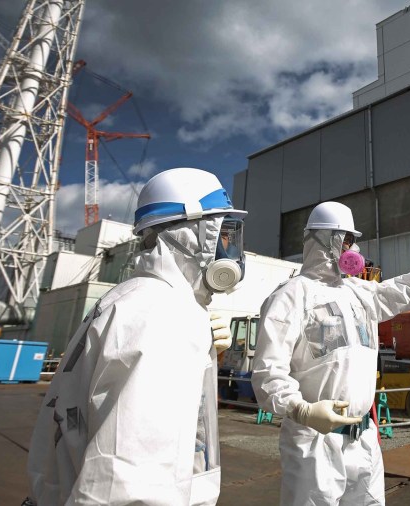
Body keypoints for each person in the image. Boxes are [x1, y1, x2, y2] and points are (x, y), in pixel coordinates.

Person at [26, 167, 246, 506]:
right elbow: (129, 484)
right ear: (192, 235)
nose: (230, 248)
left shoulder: (131, 298)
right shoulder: (165, 314)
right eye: (224, 233)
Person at [251, 201, 410, 505]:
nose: (351, 248)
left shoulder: (358, 292)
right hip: (316, 438)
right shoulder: (289, 297)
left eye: (351, 240)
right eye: (344, 239)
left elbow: (398, 292)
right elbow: (269, 372)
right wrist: (301, 410)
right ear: (322, 240)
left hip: (363, 435)